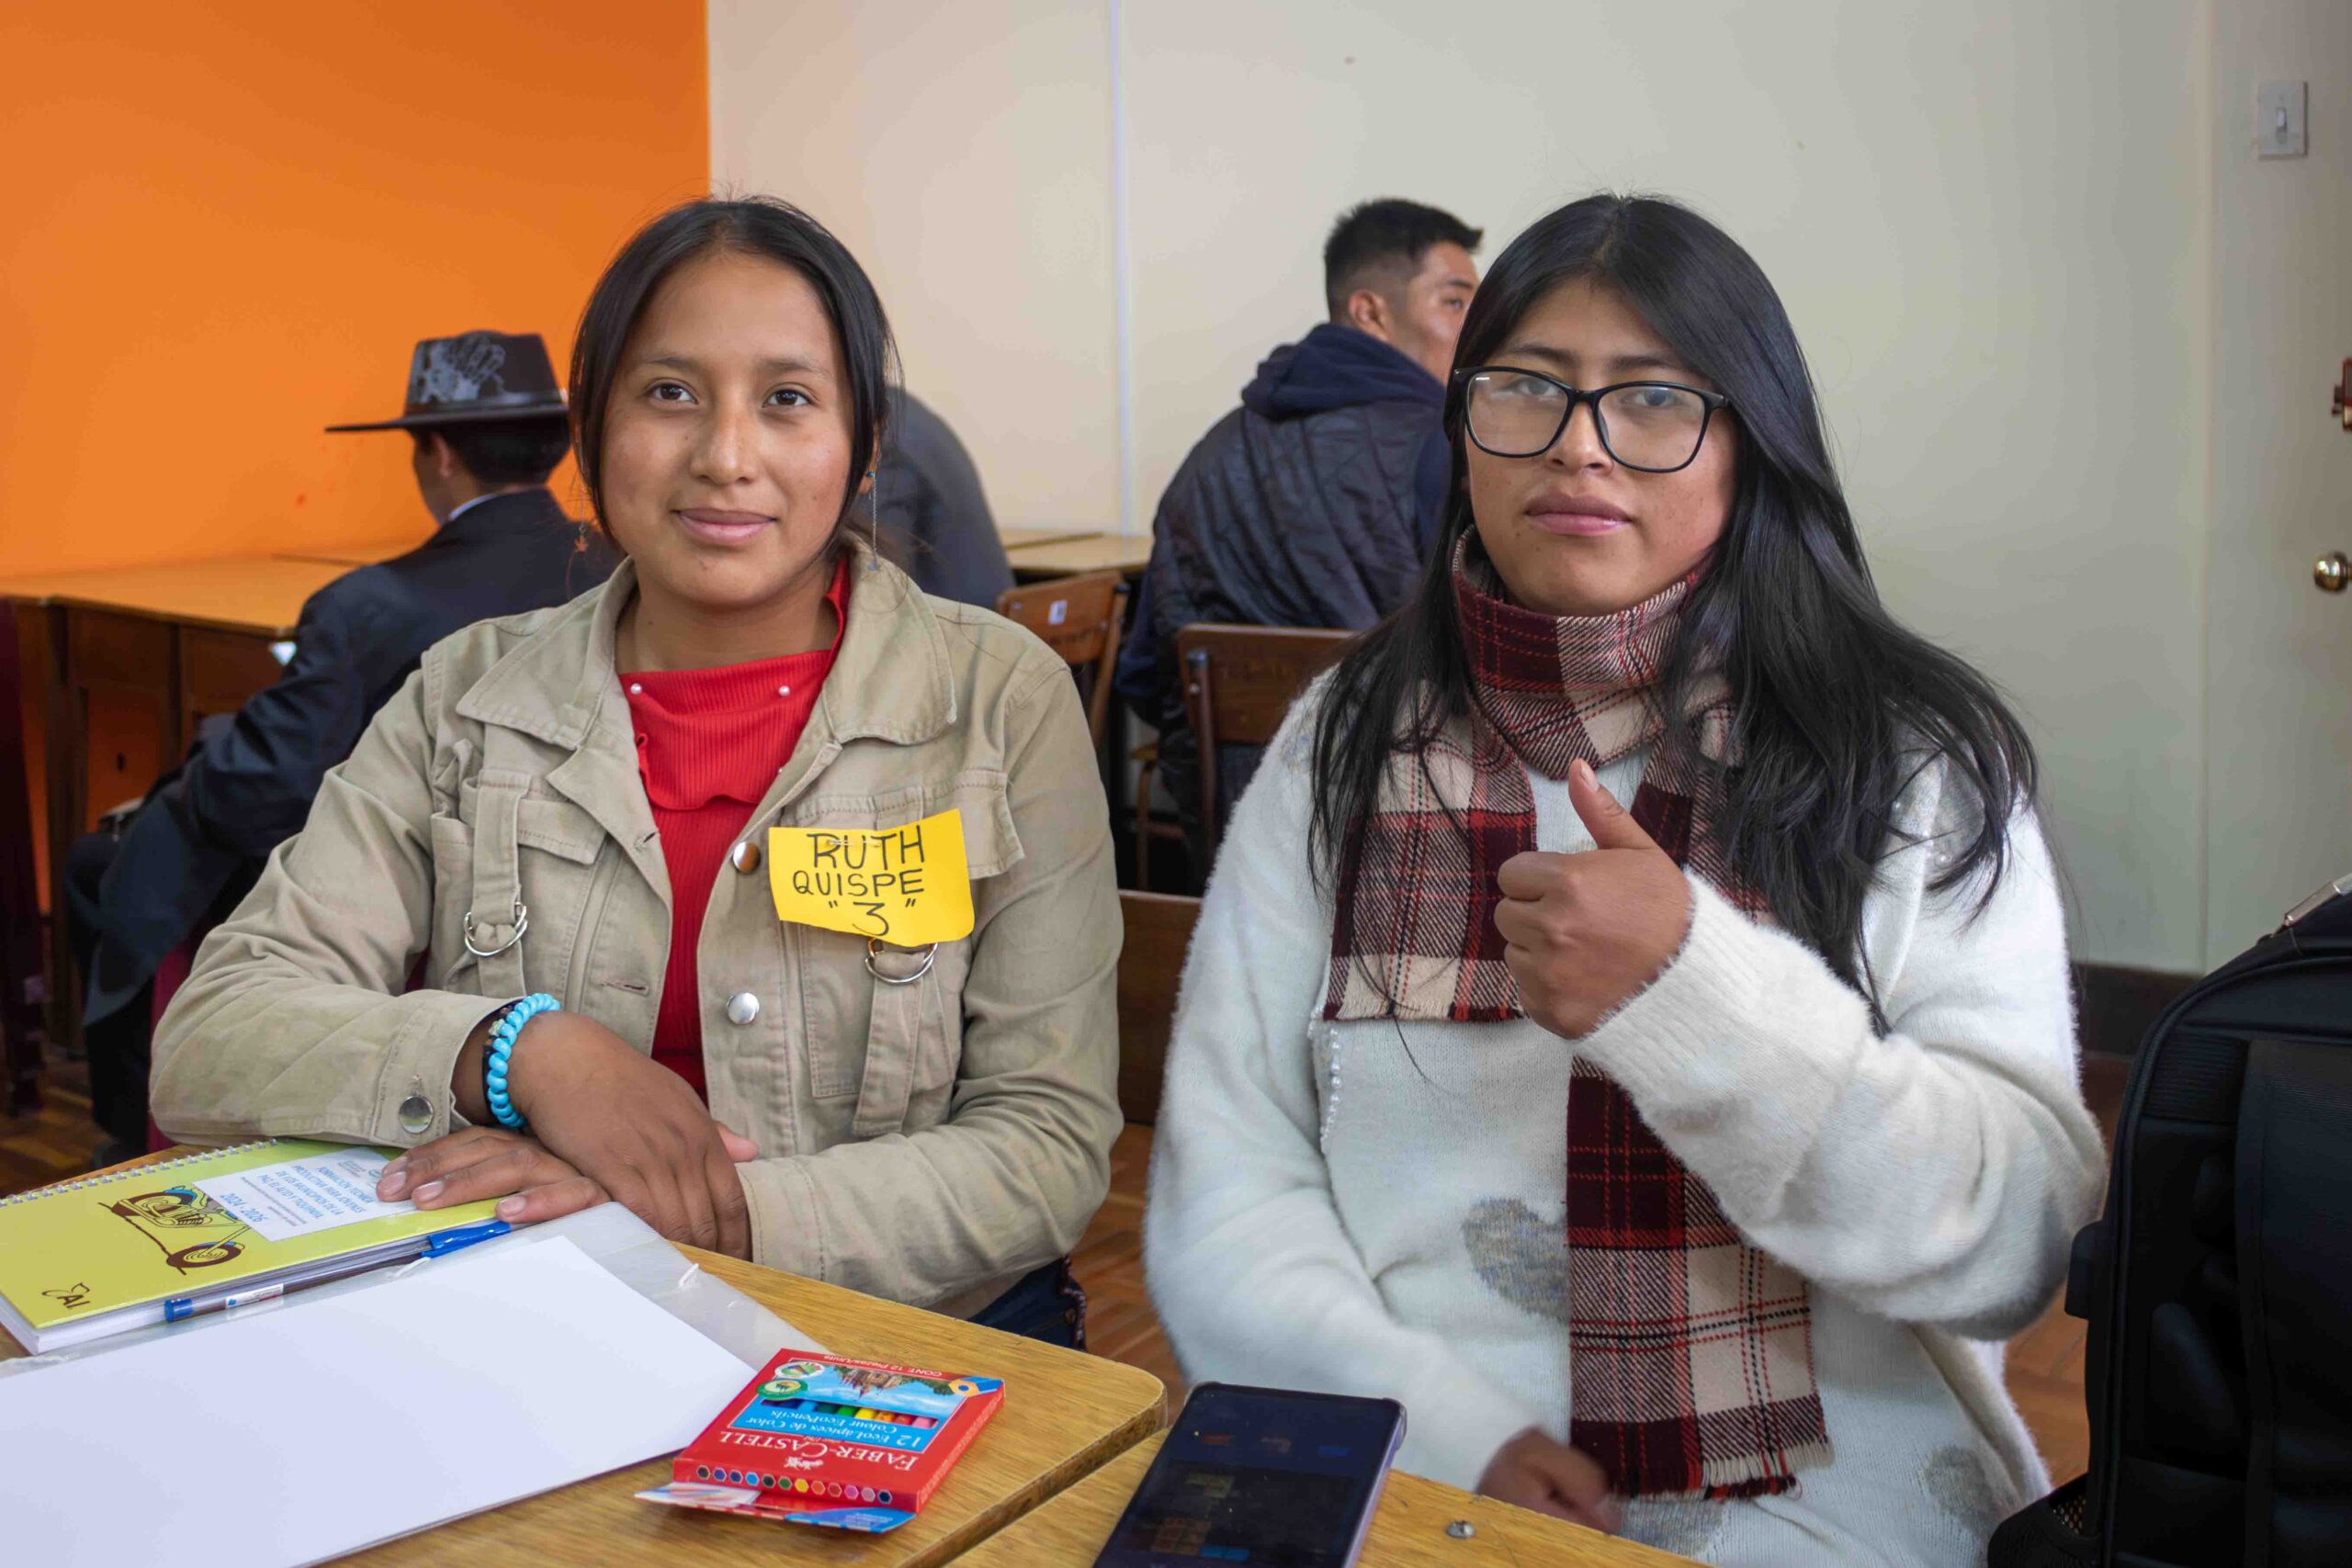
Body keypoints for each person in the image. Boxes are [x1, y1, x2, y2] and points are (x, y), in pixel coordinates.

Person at [1144, 195, 2104, 1565]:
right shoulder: (1345, 740)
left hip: (1826, 1483)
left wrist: (1697, 996)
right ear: (1461, 425)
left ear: (1750, 443)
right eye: (1525, 388)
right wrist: (1445, 1430)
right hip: (1405, 1455)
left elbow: (2016, 1238)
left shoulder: (1903, 755)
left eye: (1653, 398)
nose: (1578, 444)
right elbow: (1230, 1179)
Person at [150, 197, 1121, 1344]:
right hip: (540, 1325)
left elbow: (1045, 1148)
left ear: (861, 446)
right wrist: (515, 1050)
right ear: (589, 430)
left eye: (788, 399)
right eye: (668, 393)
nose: (725, 456)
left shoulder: (999, 702)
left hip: (897, 1345)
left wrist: (683, 1211)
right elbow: (213, 1034)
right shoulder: (464, 695)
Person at [68, 330, 608, 1162]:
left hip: (405, 879)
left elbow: (262, 793)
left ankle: (123, 1126)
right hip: (579, 871)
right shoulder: (616, 572)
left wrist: (206, 758)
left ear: (436, 452)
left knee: (108, 855)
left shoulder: (366, 604)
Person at [1114, 198, 1482, 860]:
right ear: (1369, 311)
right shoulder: (1451, 450)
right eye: (1455, 303)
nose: (1477, 328)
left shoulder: (1210, 454)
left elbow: (1145, 676)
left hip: (1228, 840)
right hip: (1411, 841)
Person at [872, 387, 1014, 608]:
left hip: (958, 624)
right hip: (977, 614)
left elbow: (872, 585)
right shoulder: (904, 410)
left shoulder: (881, 439)